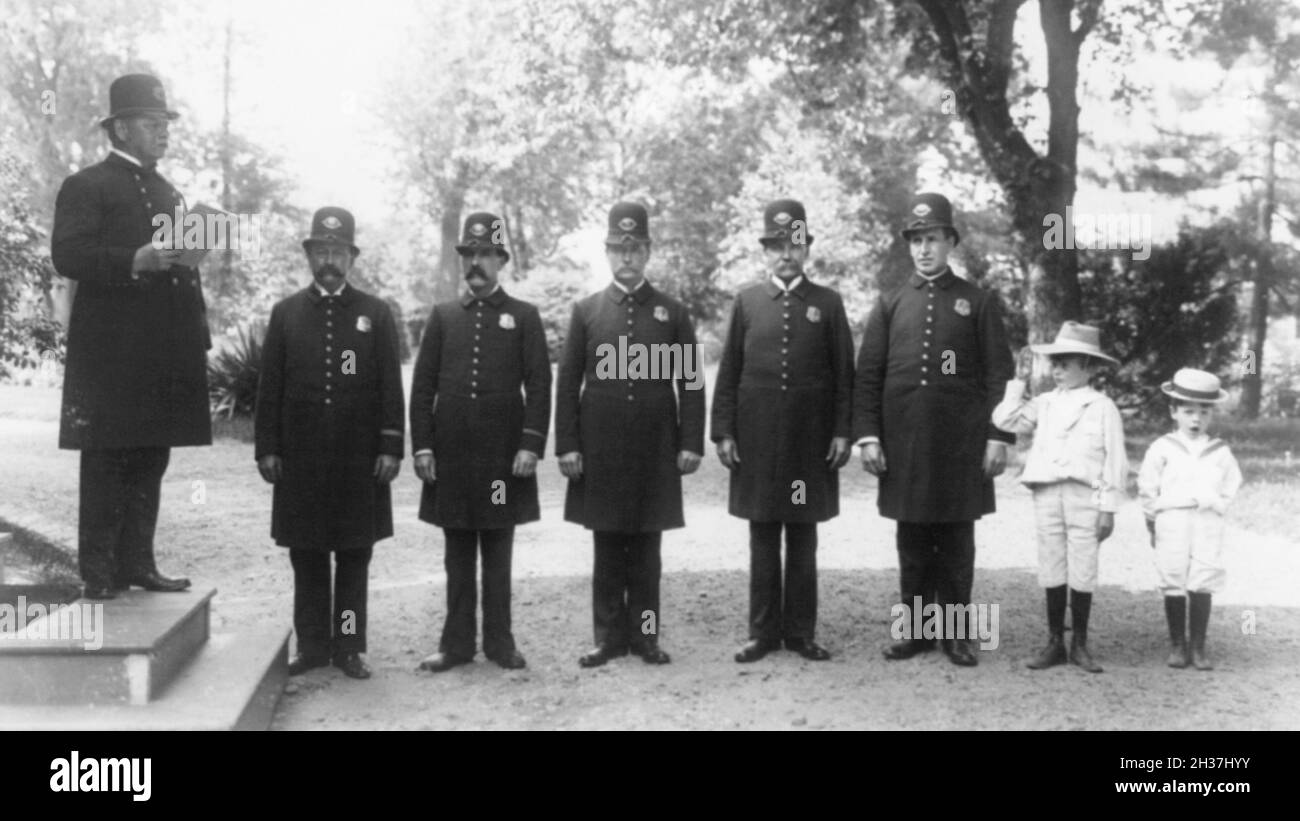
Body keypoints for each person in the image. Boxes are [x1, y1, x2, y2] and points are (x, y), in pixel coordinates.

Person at [51, 73, 211, 600]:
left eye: (165, 123)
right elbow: (67, 256)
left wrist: (196, 340)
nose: (163, 132)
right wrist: (131, 260)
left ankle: (139, 563)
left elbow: (182, 270)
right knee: (106, 461)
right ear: (120, 128)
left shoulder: (171, 191)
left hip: (162, 353)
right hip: (110, 357)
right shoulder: (86, 185)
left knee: (150, 459)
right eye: (151, 122)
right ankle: (97, 575)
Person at [853, 192, 1015, 667]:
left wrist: (997, 437)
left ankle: (958, 634)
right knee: (913, 540)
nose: (924, 249)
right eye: (917, 240)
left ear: (951, 242)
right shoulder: (890, 304)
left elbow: (998, 376)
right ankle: (917, 632)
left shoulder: (976, 302)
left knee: (957, 541)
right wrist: (869, 435)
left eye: (933, 239)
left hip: (961, 446)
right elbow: (869, 375)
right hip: (904, 443)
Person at [254, 207, 404, 680]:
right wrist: (268, 447)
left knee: (355, 553)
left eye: (338, 252)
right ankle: (314, 646)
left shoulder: (375, 314)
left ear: (352, 257)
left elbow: (388, 387)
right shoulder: (286, 314)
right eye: (322, 251)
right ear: (309, 256)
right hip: (302, 457)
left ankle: (349, 647)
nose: (330, 261)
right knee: (307, 553)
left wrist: (390, 446)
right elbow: (269, 388)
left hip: (359, 459)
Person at [556, 202, 706, 667]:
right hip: (600, 446)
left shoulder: (671, 312)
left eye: (635, 248)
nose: (627, 257)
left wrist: (689, 441)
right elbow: (568, 383)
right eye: (619, 248)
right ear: (606, 252)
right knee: (606, 545)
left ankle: (645, 637)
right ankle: (607, 638)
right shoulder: (587, 312)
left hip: (654, 446)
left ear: (647, 251)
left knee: (646, 549)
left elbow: (692, 383)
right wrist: (568, 444)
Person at [712, 199, 853, 663]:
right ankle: (762, 632)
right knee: (763, 536)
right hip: (757, 441)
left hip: (808, 442)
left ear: (807, 249)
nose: (785, 254)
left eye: (794, 244)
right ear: (766, 251)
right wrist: (724, 432)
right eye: (777, 246)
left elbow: (843, 376)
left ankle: (800, 632)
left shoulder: (827, 303)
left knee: (804, 536)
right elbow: (729, 369)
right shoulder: (747, 302)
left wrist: (841, 432)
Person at [411, 212, 552, 673]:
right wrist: (424, 446)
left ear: (501, 260)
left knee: (497, 552)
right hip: (451, 457)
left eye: (484, 255)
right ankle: (455, 645)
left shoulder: (524, 317)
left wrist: (530, 444)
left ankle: (499, 643)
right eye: (468, 255)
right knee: (456, 555)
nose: (475, 263)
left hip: (501, 460)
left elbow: (540, 386)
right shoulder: (444, 316)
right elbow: (423, 386)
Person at [992, 321, 1127, 673]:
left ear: (1089, 367)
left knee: (1082, 565)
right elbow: (1005, 420)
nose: (1057, 370)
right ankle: (1055, 642)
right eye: (1054, 363)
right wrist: (1018, 381)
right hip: (1047, 490)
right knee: (1052, 562)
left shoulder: (1101, 406)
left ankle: (1080, 643)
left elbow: (1113, 462)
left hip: (1087, 492)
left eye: (1066, 363)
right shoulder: (1045, 403)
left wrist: (1106, 508)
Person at [1138, 368, 1242, 671]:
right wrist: (1152, 518)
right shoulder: (1162, 447)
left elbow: (1231, 483)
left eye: (1204, 412)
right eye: (1188, 411)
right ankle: (1177, 645)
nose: (1196, 419)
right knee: (1173, 574)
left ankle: (1198, 646)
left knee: (1203, 575)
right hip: (1172, 518)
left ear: (1212, 414)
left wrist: (1218, 505)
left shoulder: (1220, 451)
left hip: (1207, 519)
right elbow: (1147, 486)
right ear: (1174, 411)